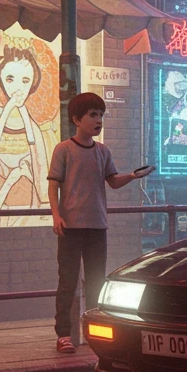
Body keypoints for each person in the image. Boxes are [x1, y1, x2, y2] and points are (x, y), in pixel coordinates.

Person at [47, 92, 153, 355]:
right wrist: (56, 215)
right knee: (68, 281)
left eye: (101, 115)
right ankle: (63, 334)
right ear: (76, 119)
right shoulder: (63, 149)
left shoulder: (103, 151)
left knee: (96, 281)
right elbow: (53, 186)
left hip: (97, 225)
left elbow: (113, 181)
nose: (98, 120)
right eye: (93, 115)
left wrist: (132, 175)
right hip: (70, 226)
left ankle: (94, 331)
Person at [0, 44, 55, 224]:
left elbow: (39, 165)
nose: (17, 87)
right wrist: (8, 109)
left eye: (24, 81)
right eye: (10, 79)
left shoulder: (34, 127)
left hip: (24, 194)